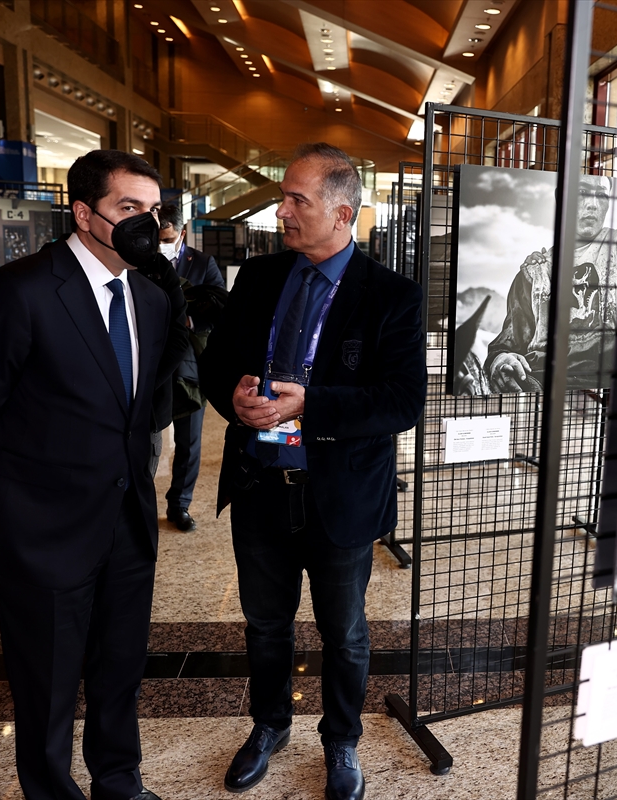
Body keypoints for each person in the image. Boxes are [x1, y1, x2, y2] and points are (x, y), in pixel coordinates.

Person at [0, 150, 190, 800]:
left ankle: (119, 781)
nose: (146, 223)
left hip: (128, 528)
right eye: (128, 209)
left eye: (154, 211)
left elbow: (145, 403)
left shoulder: (151, 298)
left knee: (119, 670)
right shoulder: (18, 291)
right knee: (46, 687)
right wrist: (26, 488)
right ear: (85, 214)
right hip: (42, 535)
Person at [199, 143, 425, 799]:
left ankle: (341, 741)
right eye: (284, 196)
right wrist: (235, 401)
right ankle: (268, 726)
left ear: (342, 212)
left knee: (345, 633)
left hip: (341, 498)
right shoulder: (259, 279)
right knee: (265, 625)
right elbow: (218, 367)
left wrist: (313, 404)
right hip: (259, 487)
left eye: (297, 199)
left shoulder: (391, 297)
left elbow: (402, 402)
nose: (282, 211)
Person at [483, 174, 617, 393]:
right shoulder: (533, 273)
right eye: (583, 192)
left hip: (614, 385)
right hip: (543, 386)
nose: (593, 204)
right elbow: (508, 343)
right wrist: (502, 360)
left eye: (602, 195)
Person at [156, 204, 227, 531]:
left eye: (167, 237)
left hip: (189, 365)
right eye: (157, 236)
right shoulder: (140, 259)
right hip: (150, 363)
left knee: (189, 440)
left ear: (181, 233)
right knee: (145, 437)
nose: (161, 242)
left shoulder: (201, 263)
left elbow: (220, 307)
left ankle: (179, 504)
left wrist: (189, 318)